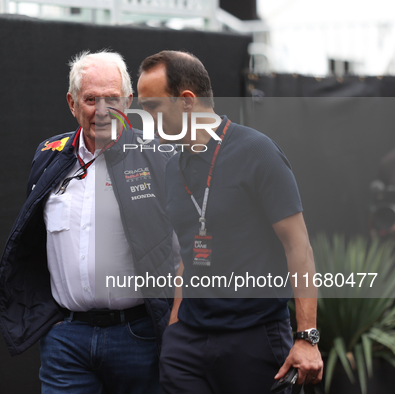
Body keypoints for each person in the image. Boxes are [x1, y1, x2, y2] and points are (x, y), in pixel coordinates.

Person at [136, 50, 323, 393]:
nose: (145, 119)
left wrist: (306, 337)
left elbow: (299, 247)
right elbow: (188, 255)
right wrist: (176, 327)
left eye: (152, 107)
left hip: (254, 339)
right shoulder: (172, 167)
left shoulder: (257, 151)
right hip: (188, 344)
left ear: (187, 101)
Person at [0, 50, 176, 393]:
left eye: (112, 98)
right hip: (66, 339)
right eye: (91, 99)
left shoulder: (159, 159)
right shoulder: (49, 155)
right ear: (72, 103)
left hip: (138, 337)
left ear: (129, 101)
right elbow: (32, 239)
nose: (102, 110)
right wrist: (51, 322)